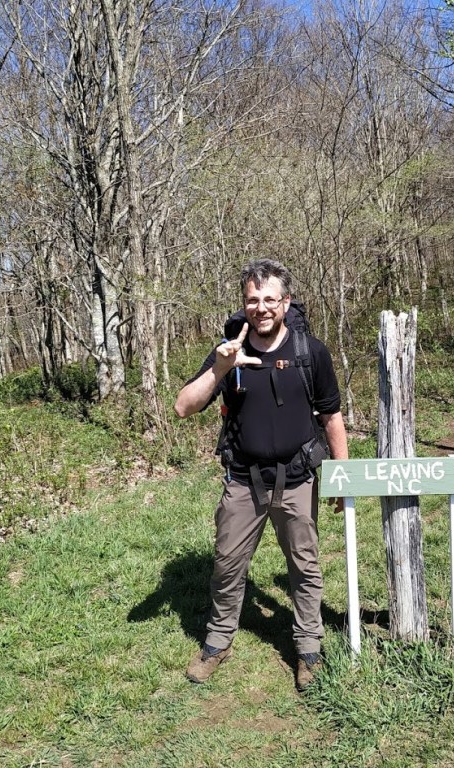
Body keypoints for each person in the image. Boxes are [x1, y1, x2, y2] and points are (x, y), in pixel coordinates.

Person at [174, 258, 348, 692]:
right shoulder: (227, 352)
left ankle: (308, 649)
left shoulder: (310, 352)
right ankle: (217, 643)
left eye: (270, 299)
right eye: (253, 300)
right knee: (228, 565)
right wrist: (220, 367)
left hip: (297, 478)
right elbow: (183, 407)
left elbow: (331, 416)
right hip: (242, 481)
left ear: (285, 303)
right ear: (244, 303)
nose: (261, 308)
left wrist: (341, 476)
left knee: (304, 567)